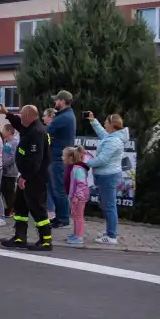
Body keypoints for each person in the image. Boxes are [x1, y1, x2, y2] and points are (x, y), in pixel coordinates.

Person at [0, 104, 52, 251]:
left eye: (22, 115)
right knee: (20, 206)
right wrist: (7, 113)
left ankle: (46, 240)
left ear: (28, 116)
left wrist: (25, 177)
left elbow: (36, 159)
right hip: (27, 176)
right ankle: (20, 237)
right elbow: (18, 124)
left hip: (35, 177)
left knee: (37, 208)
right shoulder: (29, 128)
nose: (20, 117)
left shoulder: (36, 132)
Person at [84, 111, 129, 245]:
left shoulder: (114, 140)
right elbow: (102, 133)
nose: (104, 124)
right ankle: (110, 231)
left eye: (106, 122)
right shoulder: (112, 137)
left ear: (112, 125)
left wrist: (85, 163)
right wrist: (93, 120)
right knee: (107, 205)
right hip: (107, 176)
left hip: (108, 177)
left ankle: (111, 236)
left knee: (109, 206)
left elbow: (102, 160)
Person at [46, 90, 76, 229]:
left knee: (59, 190)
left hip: (59, 157)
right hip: (58, 156)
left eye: (57, 100)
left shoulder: (63, 118)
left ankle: (63, 219)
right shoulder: (65, 115)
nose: (55, 102)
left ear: (63, 101)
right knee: (55, 189)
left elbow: (47, 131)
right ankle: (59, 217)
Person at [63, 146, 90, 246]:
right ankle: (76, 234)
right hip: (76, 196)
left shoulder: (78, 169)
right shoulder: (75, 168)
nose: (62, 158)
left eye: (64, 156)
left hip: (79, 197)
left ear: (71, 158)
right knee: (75, 216)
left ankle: (79, 237)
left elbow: (81, 184)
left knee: (78, 217)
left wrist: (77, 196)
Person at [0, 123, 19, 217]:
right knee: (3, 189)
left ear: (9, 132)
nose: (2, 132)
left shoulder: (14, 142)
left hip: (11, 171)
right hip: (4, 170)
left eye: (3, 130)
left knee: (10, 191)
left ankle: (12, 209)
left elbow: (13, 157)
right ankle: (10, 207)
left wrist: (3, 164)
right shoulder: (5, 141)